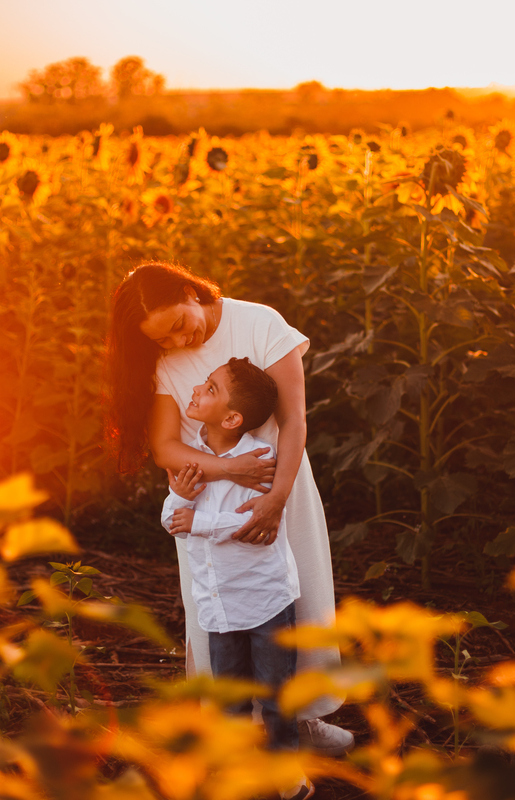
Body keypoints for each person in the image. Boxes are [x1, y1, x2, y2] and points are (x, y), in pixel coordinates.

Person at [106, 261, 353, 756]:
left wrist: (275, 500)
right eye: (163, 341)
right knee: (217, 613)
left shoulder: (260, 323)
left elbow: (295, 422)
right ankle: (234, 734)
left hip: (282, 482)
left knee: (295, 600)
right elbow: (165, 449)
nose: (179, 343)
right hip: (206, 502)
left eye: (178, 325)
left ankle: (299, 724)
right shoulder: (166, 363)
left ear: (188, 291)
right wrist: (230, 470)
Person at [160, 357, 309, 798]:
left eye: (209, 388)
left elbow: (254, 529)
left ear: (232, 418)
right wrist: (176, 497)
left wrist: (198, 520)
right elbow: (172, 520)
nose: (196, 391)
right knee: (230, 700)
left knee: (276, 695)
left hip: (264, 600)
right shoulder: (194, 460)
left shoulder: (258, 460)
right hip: (217, 604)